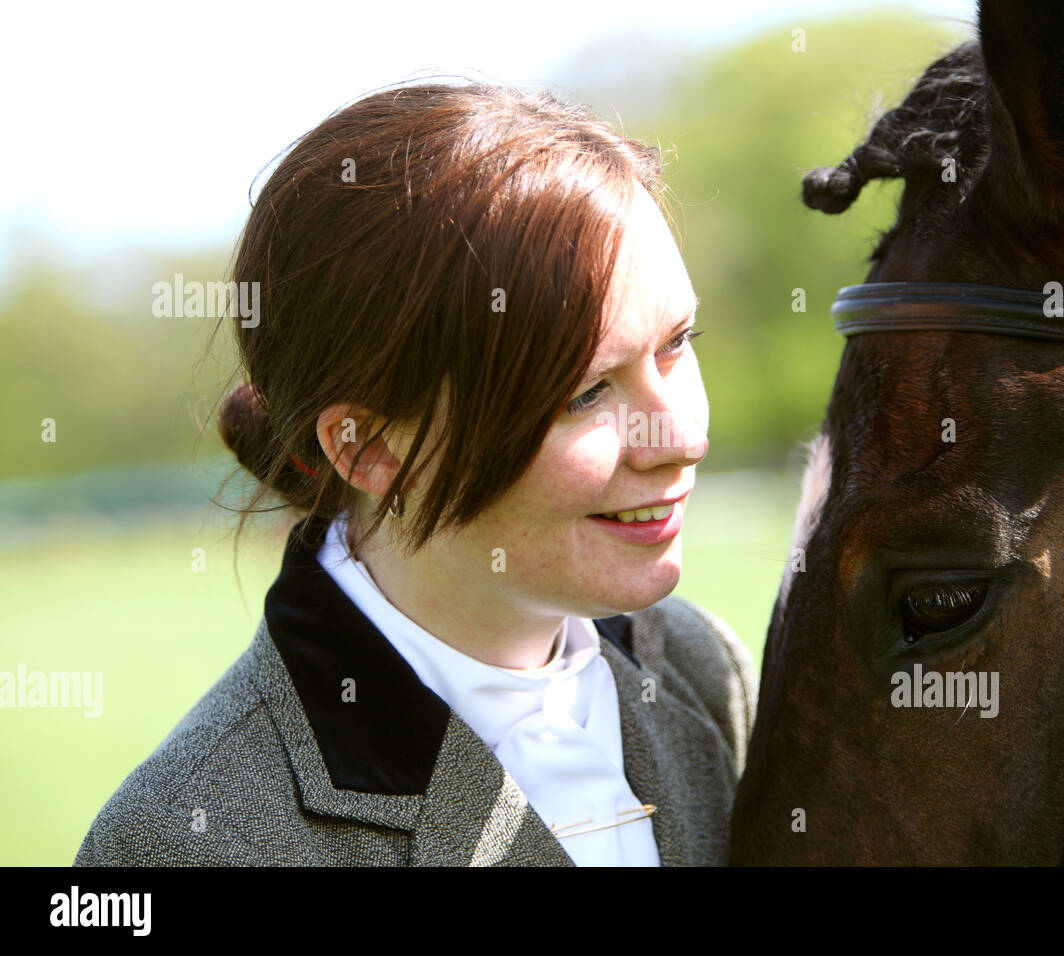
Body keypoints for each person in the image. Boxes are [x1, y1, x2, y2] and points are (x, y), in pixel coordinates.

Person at [73, 81, 756, 866]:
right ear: (367, 448)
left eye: (678, 342)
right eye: (585, 392)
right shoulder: (186, 840)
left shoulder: (705, 675)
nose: (681, 438)